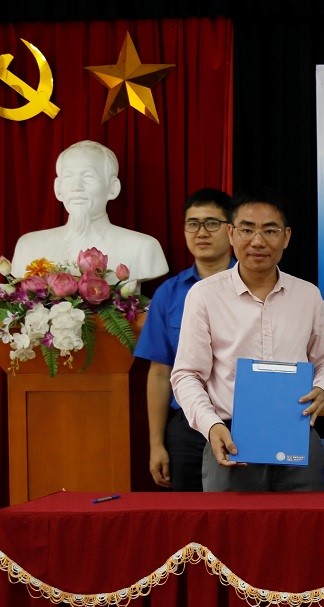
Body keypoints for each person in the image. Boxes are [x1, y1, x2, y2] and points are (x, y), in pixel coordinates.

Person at [170, 191, 324, 491]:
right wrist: (212, 426)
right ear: (231, 234)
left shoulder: (307, 295)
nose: (258, 241)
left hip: (297, 436)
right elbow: (186, 374)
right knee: (231, 536)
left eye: (270, 230)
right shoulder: (204, 295)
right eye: (247, 230)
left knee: (303, 533)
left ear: (286, 237)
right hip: (230, 437)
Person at [133, 188, 235, 491]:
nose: (201, 233)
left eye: (211, 223)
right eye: (193, 223)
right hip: (187, 426)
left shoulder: (254, 286)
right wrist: (156, 444)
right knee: (189, 524)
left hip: (240, 423)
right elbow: (160, 373)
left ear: (231, 230)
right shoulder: (169, 293)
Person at [10, 139, 168, 285]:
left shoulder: (143, 248)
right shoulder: (29, 247)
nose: (76, 187)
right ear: (57, 189)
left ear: (113, 188)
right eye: (68, 178)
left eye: (88, 177)